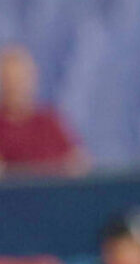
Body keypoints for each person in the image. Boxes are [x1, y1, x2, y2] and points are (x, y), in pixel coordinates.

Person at [0, 44, 90, 177]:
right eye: (11, 80)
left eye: (21, 79)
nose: (17, 86)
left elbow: (79, 162)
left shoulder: (49, 122)